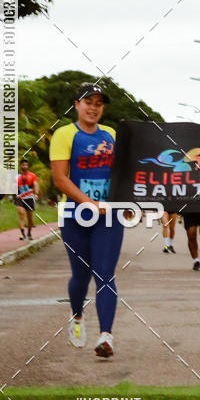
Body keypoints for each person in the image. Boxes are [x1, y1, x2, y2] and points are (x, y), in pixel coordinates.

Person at [50, 82, 122, 358]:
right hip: (75, 215)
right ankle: (77, 315)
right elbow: (60, 178)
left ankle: (106, 336)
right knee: (80, 276)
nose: (93, 107)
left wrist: (125, 200)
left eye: (98, 103)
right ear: (76, 105)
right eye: (88, 102)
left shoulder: (112, 134)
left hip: (108, 215)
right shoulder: (65, 134)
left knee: (104, 273)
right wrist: (88, 202)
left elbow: (125, 170)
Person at [16, 159, 39, 240]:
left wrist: (36, 194)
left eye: (26, 165)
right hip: (20, 198)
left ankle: (29, 233)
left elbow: (35, 184)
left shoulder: (32, 175)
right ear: (20, 166)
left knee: (30, 217)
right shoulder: (17, 177)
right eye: (23, 165)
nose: (25, 166)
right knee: (21, 214)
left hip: (29, 198)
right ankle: (22, 234)